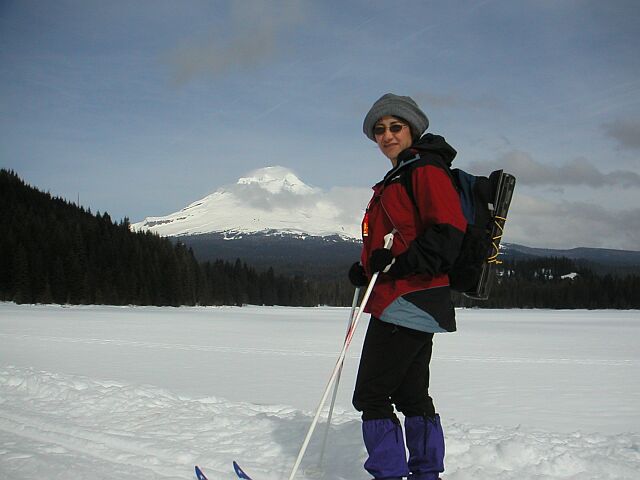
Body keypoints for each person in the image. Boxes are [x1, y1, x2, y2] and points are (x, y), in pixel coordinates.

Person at [349, 93, 467, 480]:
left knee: (370, 393)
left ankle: (390, 474)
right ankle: (426, 473)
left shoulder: (425, 170)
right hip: (410, 297)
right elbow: (395, 239)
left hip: (408, 298)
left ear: (412, 128)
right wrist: (368, 270)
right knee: (411, 395)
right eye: (379, 130)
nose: (386, 135)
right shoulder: (400, 174)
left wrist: (397, 264)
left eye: (394, 127)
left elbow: (448, 233)